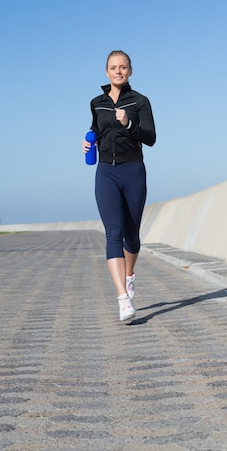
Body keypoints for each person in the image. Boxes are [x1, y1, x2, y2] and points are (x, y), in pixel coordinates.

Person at [82, 50, 156, 321]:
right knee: (113, 233)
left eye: (123, 67)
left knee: (131, 235)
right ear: (106, 71)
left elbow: (151, 138)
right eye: (113, 67)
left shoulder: (140, 101)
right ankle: (123, 299)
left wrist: (129, 123)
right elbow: (97, 130)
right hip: (106, 173)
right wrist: (88, 142)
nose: (118, 71)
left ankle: (130, 275)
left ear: (130, 71)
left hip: (133, 171)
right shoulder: (96, 103)